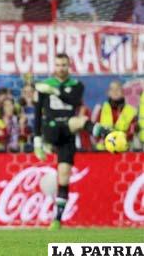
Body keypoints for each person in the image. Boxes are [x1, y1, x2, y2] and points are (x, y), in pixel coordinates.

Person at [34, 53, 111, 230]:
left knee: (64, 175)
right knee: (82, 121)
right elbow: (38, 114)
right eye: (58, 65)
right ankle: (107, 134)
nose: (61, 68)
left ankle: (57, 219)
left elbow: (74, 101)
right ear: (54, 66)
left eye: (64, 65)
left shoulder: (76, 86)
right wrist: (37, 141)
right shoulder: (45, 86)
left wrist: (55, 91)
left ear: (69, 67)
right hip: (52, 128)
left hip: (68, 134)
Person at [94, 81, 137, 151]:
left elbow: (132, 133)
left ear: (123, 93)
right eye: (112, 89)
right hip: (103, 150)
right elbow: (95, 129)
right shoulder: (101, 109)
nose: (115, 91)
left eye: (118, 89)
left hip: (123, 149)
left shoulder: (131, 111)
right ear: (108, 93)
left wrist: (118, 139)